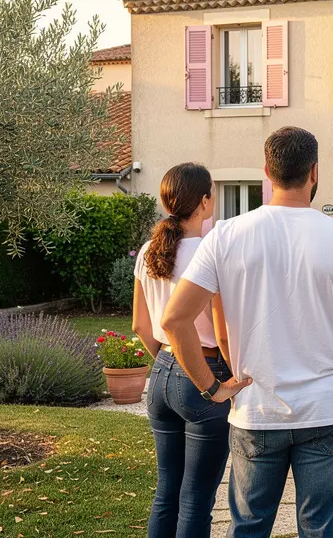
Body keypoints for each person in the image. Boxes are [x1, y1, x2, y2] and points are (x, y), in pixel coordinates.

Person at [161, 126, 333, 538]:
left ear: (268, 171)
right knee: (320, 530)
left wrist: (213, 388)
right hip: (328, 409)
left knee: (248, 527)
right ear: (315, 172)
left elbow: (174, 321)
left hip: (256, 409)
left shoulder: (225, 237)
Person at [131, 162, 233, 538]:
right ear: (205, 201)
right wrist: (228, 379)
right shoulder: (210, 252)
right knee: (196, 498)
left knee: (166, 491)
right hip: (204, 375)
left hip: (160, 377)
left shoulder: (147, 251)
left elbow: (141, 325)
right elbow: (221, 332)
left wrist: (166, 361)